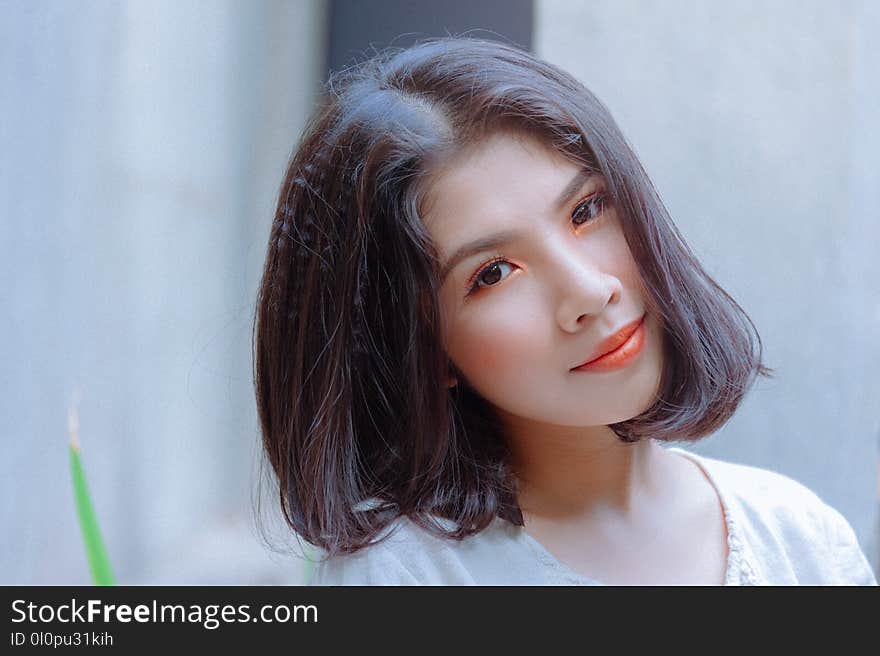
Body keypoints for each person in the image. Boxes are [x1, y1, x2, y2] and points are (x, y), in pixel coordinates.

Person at [252, 37, 877, 585]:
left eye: (586, 211)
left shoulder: (802, 539)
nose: (588, 291)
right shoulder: (408, 577)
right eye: (492, 274)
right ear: (423, 347)